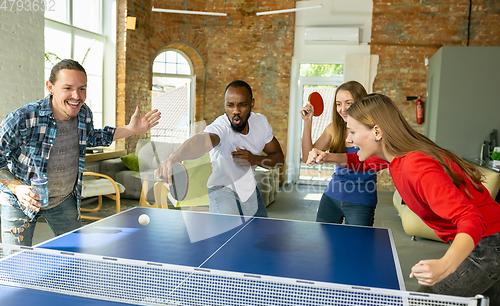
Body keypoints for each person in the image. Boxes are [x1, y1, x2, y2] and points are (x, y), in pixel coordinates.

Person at [307, 93, 500, 306]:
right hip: (487, 240)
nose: (349, 139)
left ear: (377, 132)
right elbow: (360, 162)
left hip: (488, 246)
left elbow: (471, 218)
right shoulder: (394, 156)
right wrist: (326, 157)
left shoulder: (415, 166)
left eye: (353, 132)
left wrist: (446, 264)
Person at [0, 59, 160, 246]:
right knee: (17, 262)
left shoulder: (84, 113)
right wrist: (17, 188)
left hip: (64, 199)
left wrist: (130, 129)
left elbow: (93, 137)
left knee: (75, 257)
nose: (76, 96)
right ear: (50, 87)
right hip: (21, 202)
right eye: (68, 88)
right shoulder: (23, 118)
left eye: (82, 88)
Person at [156, 80, 284, 218]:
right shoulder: (221, 127)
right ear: (225, 103)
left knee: (263, 237)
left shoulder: (261, 123)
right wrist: (174, 157)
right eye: (230, 105)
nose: (236, 111)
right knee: (227, 237)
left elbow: (279, 159)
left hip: (250, 193)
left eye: (242, 105)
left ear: (252, 103)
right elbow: (201, 141)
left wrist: (255, 159)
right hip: (223, 192)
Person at [301, 81, 383, 226]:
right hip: (331, 196)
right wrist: (307, 122)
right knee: (323, 244)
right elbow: (307, 156)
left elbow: (361, 163)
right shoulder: (334, 128)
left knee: (356, 247)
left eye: (348, 103)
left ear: (361, 103)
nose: (342, 109)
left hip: (361, 200)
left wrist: (328, 157)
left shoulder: (374, 131)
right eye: (338, 104)